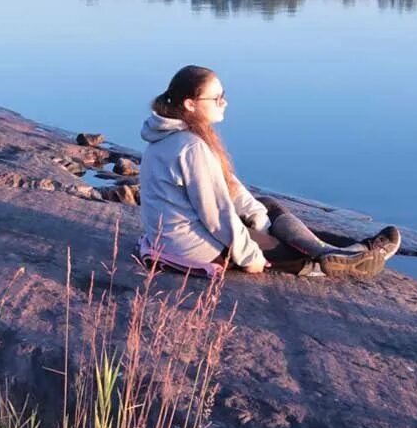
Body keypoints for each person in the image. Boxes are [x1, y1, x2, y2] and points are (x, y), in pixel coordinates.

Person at [137, 65, 400, 278]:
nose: (224, 102)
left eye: (223, 95)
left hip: (178, 235)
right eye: (216, 98)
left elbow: (228, 187)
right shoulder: (189, 147)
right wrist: (249, 255)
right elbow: (216, 214)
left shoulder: (177, 136)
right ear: (190, 104)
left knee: (267, 206)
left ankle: (330, 251)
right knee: (286, 250)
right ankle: (343, 259)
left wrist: (262, 220)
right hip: (192, 247)